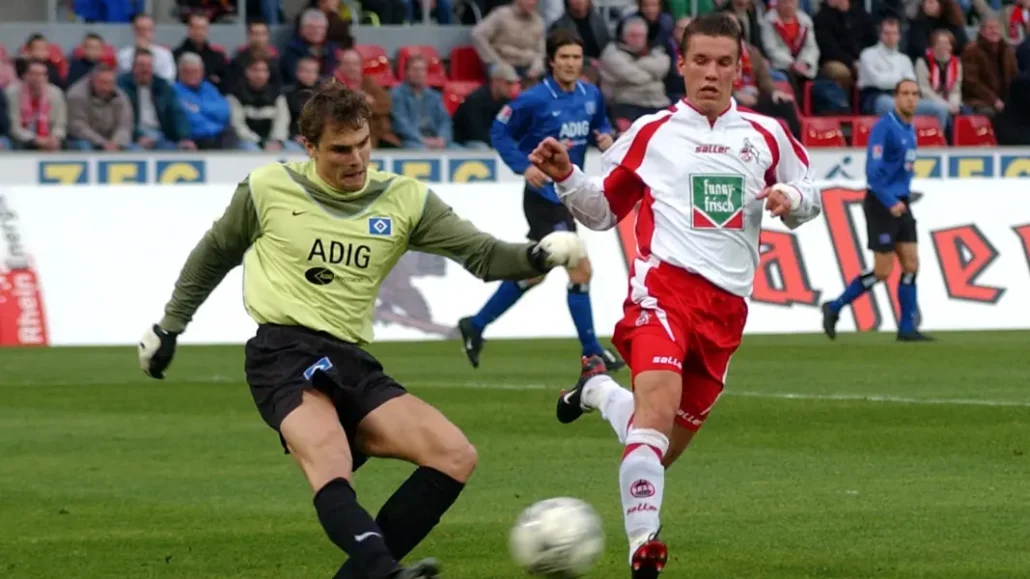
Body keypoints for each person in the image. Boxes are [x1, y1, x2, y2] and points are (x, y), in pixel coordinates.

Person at [136, 83, 585, 579]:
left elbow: (480, 254)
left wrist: (537, 254)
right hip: (282, 353)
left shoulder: (404, 198)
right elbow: (213, 255)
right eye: (340, 149)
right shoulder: (267, 188)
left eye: (363, 144)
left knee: (453, 455)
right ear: (309, 147)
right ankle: (383, 571)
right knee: (330, 461)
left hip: (350, 357)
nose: (356, 159)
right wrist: (169, 327)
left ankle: (366, 573)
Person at [530, 13, 822, 578]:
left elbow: (810, 194)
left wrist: (788, 194)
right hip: (662, 293)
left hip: (726, 311)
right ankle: (644, 544)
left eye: (723, 63)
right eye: (701, 62)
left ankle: (595, 388)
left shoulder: (768, 134)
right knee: (656, 413)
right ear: (681, 64)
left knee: (658, 445)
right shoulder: (651, 133)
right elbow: (601, 211)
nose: (711, 74)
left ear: (740, 69)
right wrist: (569, 176)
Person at [458, 28, 625, 372]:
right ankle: (592, 352)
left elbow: (600, 126)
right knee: (580, 269)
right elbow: (499, 130)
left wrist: (607, 138)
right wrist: (523, 167)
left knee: (535, 272)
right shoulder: (533, 99)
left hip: (570, 194)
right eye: (564, 57)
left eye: (576, 57)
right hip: (543, 196)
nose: (570, 63)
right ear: (551, 61)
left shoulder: (590, 94)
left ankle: (475, 324)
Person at [822, 79, 933, 342]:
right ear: (895, 98)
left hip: (901, 203)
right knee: (882, 271)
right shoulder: (885, 128)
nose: (911, 99)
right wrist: (889, 200)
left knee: (911, 264)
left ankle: (907, 328)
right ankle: (834, 306)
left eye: (915, 94)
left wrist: (902, 199)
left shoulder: (909, 129)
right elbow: (873, 173)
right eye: (905, 93)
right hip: (882, 205)